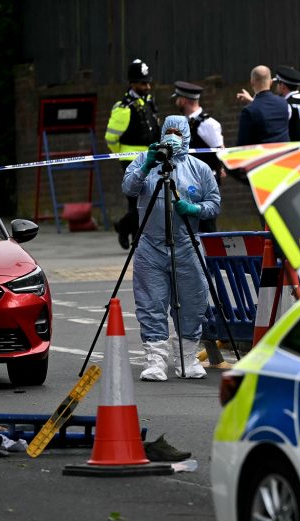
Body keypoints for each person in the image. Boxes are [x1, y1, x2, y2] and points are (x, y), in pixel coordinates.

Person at [122, 115, 220, 383]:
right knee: (151, 302)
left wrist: (194, 209)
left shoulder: (198, 168)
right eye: (169, 131)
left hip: (187, 244)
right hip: (150, 246)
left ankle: (187, 358)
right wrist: (147, 167)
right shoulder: (145, 160)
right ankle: (155, 359)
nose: (173, 137)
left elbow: (214, 202)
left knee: (192, 301)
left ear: (186, 135)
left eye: (178, 132)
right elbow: (129, 188)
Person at [172, 81, 231, 369]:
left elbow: (220, 153)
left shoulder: (207, 124)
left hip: (202, 198)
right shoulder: (182, 126)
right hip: (186, 199)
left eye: (178, 98)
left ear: (185, 100)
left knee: (206, 242)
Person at [106, 58, 160, 250]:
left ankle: (124, 226)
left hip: (151, 158)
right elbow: (111, 138)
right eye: (143, 83)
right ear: (132, 83)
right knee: (137, 200)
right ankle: (138, 240)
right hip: (130, 159)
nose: (147, 86)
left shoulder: (149, 102)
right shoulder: (123, 107)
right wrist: (120, 155)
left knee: (148, 200)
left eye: (148, 82)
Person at [235, 65, 290, 146]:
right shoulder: (283, 103)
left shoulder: (248, 111)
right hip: (283, 155)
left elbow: (242, 145)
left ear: (251, 82)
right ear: (271, 82)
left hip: (263, 157)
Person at [273, 65, 300, 141]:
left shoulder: (287, 105)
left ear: (283, 86)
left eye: (277, 82)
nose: (276, 86)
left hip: (293, 151)